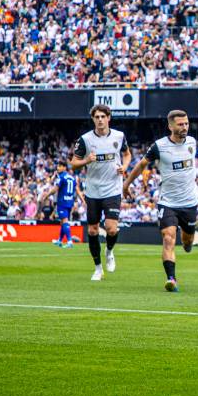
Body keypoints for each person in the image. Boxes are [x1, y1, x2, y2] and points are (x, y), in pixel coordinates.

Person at [124, 110, 198, 291]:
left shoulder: (192, 142)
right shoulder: (159, 146)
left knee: (187, 240)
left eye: (186, 123)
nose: (184, 127)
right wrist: (126, 184)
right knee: (168, 238)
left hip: (190, 203)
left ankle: (188, 243)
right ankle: (171, 279)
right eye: (180, 124)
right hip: (168, 202)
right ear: (170, 126)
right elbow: (141, 165)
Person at [69, 104, 131, 281]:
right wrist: (87, 159)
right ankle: (97, 268)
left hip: (113, 188)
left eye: (103, 117)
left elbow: (127, 154)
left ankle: (109, 251)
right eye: (97, 117)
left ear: (109, 118)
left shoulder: (119, 136)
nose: (100, 120)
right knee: (93, 230)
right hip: (93, 190)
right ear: (93, 119)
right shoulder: (85, 140)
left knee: (111, 229)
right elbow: (74, 163)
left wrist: (124, 167)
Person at [39, 160, 84, 248]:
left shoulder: (61, 177)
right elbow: (77, 190)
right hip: (69, 202)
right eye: (58, 166)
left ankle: (70, 241)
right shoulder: (71, 177)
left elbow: (55, 189)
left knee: (64, 221)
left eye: (60, 166)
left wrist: (46, 196)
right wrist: (82, 199)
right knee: (62, 222)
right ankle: (59, 240)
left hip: (62, 201)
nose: (58, 168)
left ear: (64, 168)